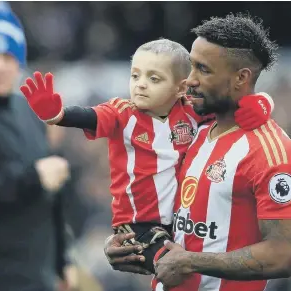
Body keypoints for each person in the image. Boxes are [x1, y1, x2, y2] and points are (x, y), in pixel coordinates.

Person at [19, 37, 274, 274]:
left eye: (154, 78)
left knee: (200, 261)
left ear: (180, 88)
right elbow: (90, 115)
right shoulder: (122, 113)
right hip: (138, 225)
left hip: (182, 220)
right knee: (173, 270)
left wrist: (263, 102)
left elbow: (231, 104)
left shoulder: (190, 111)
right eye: (135, 75)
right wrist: (58, 115)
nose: (140, 84)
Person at [104, 13, 291, 291]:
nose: (189, 80)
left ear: (241, 78)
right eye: (190, 68)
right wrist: (129, 243)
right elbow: (178, 227)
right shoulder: (193, 132)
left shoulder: (273, 152)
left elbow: (282, 256)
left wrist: (190, 262)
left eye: (203, 70)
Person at [0, 5, 71, 291]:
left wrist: (62, 261)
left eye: (7, 56)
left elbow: (52, 194)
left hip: (39, 274)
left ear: (18, 61)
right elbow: (37, 177)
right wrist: (32, 178)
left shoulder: (28, 112)